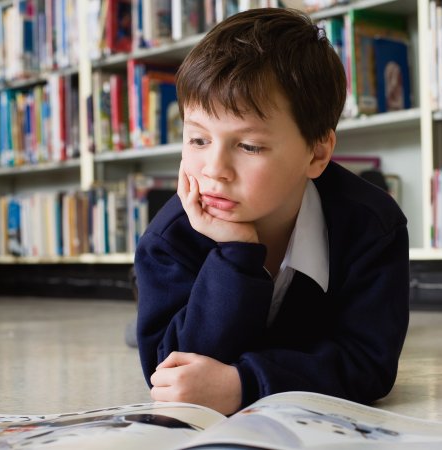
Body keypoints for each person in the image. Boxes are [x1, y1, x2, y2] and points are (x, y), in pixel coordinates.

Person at [134, 7, 410, 416]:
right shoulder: (169, 237)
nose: (214, 170)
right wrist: (235, 257)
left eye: (249, 146)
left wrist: (245, 385)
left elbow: (369, 364)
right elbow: (173, 373)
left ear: (317, 153)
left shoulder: (373, 226)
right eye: (197, 139)